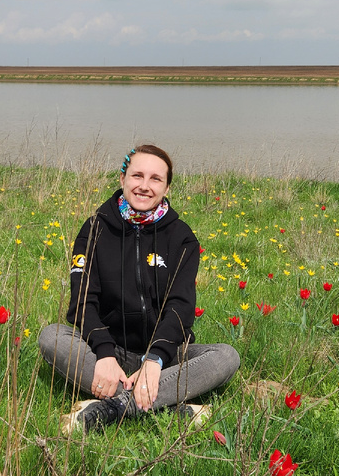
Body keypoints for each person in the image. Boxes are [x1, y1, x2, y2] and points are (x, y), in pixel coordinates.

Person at [39, 144, 240, 433]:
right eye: (137, 176)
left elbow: (181, 307)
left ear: (167, 187)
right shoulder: (95, 228)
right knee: (51, 337)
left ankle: (115, 407)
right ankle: (168, 405)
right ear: (123, 179)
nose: (144, 186)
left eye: (155, 179)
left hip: (166, 357)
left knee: (226, 356)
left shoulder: (182, 237)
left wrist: (155, 360)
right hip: (107, 352)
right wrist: (105, 354)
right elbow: (83, 301)